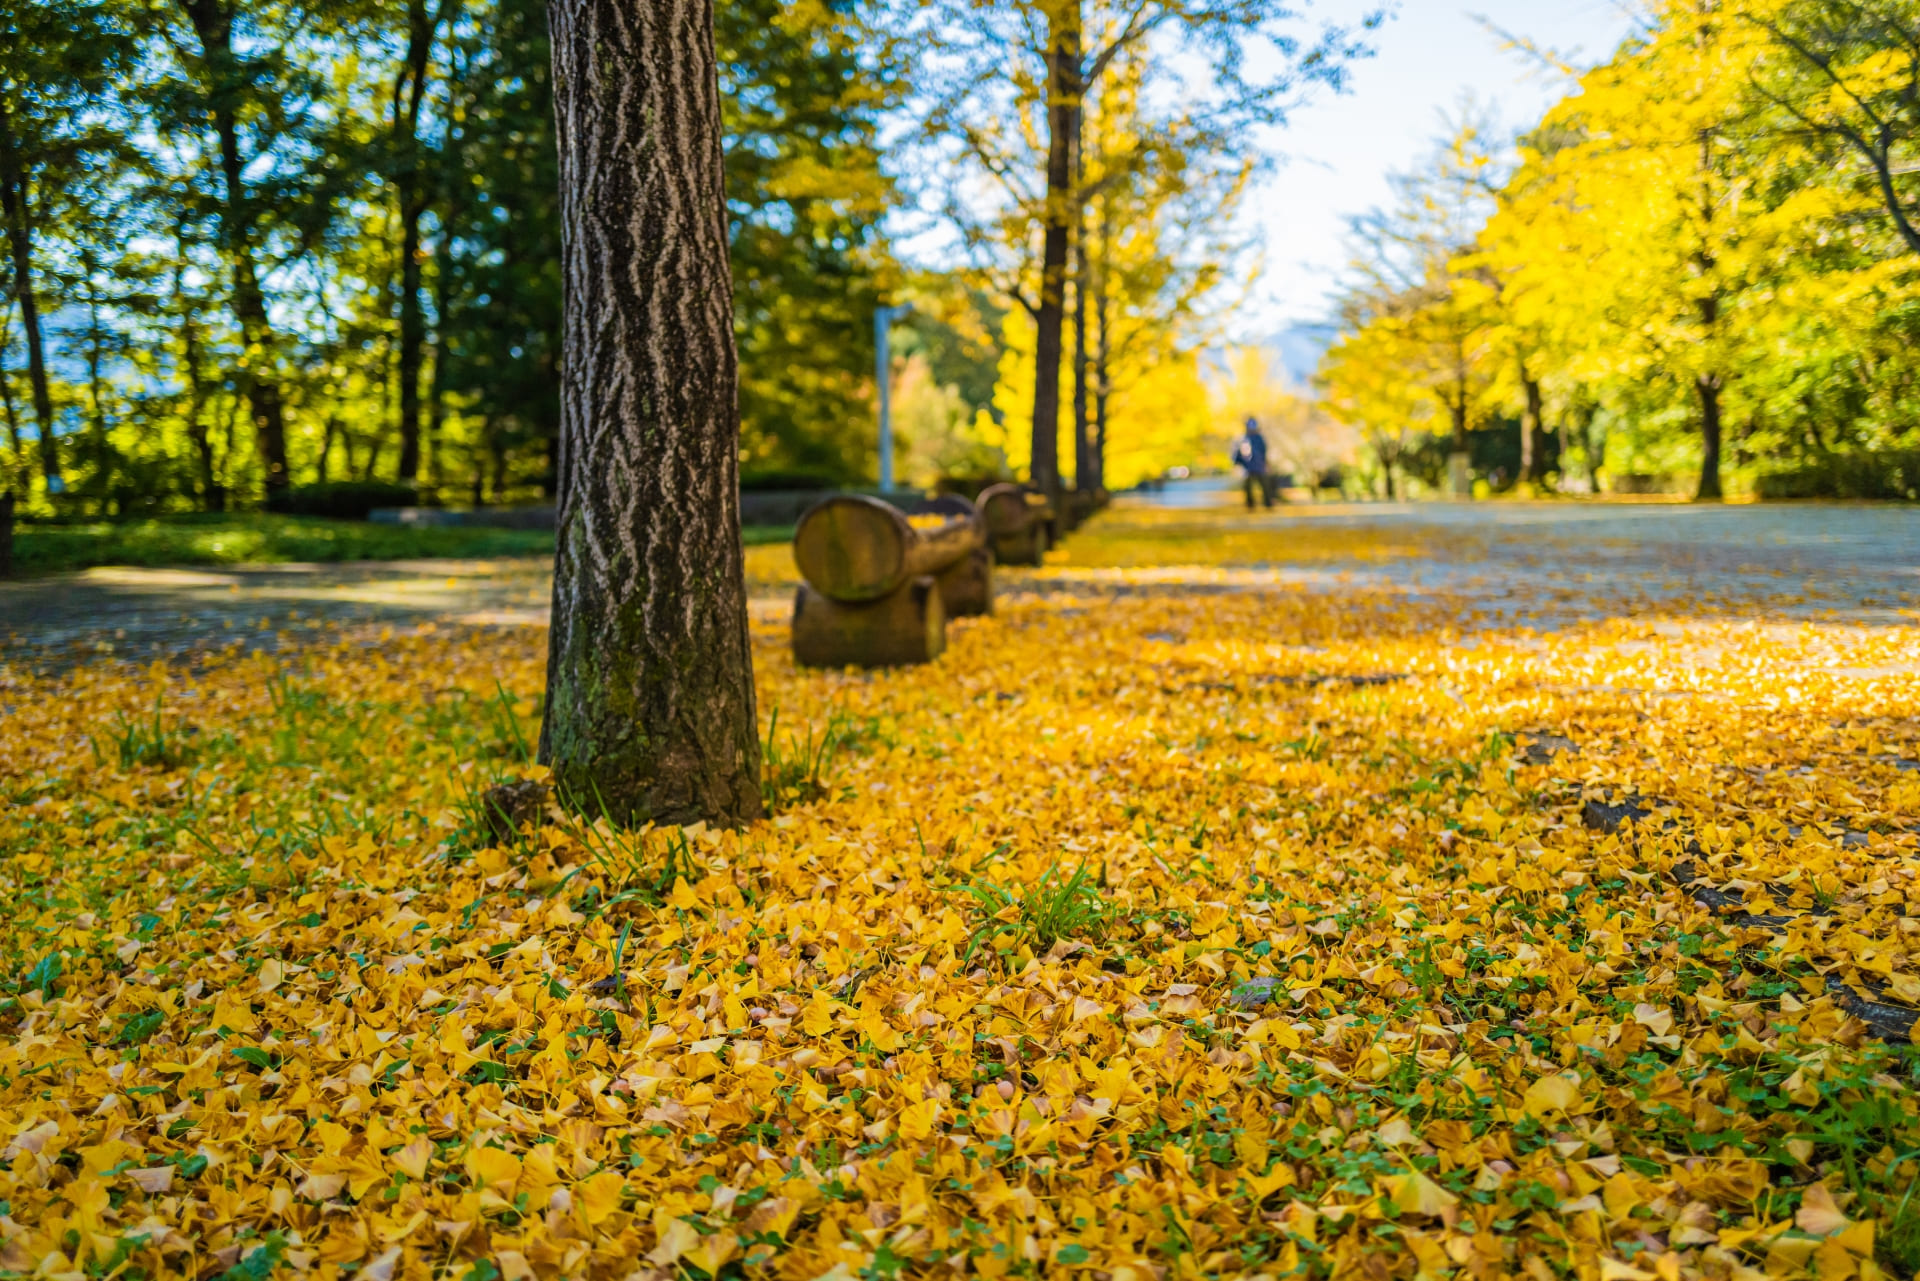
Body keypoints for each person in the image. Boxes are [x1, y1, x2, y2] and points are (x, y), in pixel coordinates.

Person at [1232, 417, 1274, 509]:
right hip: (1248, 467)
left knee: (1265, 485)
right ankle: (1250, 504)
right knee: (1248, 487)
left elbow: (1264, 451)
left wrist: (1265, 463)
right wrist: (1237, 463)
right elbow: (1237, 453)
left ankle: (1267, 503)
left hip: (1259, 466)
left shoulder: (1259, 438)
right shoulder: (1243, 438)